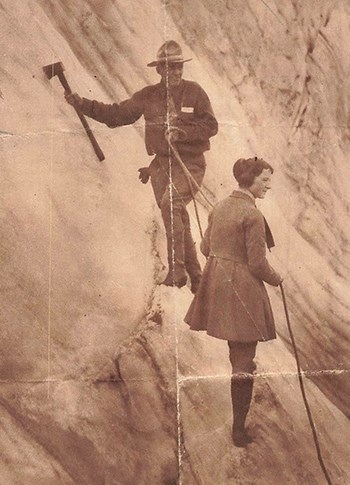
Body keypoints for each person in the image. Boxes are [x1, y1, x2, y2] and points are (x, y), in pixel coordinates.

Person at [65, 40, 218, 293]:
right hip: (160, 166)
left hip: (190, 163)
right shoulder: (147, 96)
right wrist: (82, 104)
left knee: (171, 204)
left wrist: (183, 133)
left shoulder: (196, 93)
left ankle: (177, 271)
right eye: (170, 68)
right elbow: (117, 115)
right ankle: (197, 278)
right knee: (177, 214)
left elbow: (211, 126)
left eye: (179, 67)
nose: (176, 73)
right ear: (159, 70)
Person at [185, 157, 283, 447]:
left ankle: (238, 421)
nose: (268, 185)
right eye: (264, 180)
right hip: (243, 290)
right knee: (244, 360)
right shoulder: (252, 215)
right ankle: (238, 430)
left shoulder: (220, 206)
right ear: (249, 180)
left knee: (236, 355)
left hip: (217, 286)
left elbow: (205, 247)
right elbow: (257, 265)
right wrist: (279, 279)